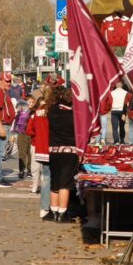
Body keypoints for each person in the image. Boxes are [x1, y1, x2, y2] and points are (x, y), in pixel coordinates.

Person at [47, 85, 78, 222]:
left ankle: (53, 210)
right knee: (65, 183)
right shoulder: (74, 116)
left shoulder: (51, 112)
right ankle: (62, 212)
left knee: (55, 181)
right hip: (69, 151)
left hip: (54, 150)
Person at [26, 89, 52, 220]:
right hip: (44, 145)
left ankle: (38, 189)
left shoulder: (36, 113)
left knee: (40, 171)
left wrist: (35, 135)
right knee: (40, 170)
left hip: (38, 144)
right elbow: (29, 129)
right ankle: (36, 186)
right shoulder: (49, 112)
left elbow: (30, 129)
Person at [13, 93, 35, 180]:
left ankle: (30, 170)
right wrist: (14, 133)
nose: (31, 104)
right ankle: (21, 170)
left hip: (31, 135)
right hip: (22, 134)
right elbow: (16, 121)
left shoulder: (34, 112)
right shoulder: (21, 112)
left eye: (33, 102)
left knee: (30, 154)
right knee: (22, 153)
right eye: (29, 102)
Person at [109, 79, 129, 144]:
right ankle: (122, 140)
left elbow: (109, 102)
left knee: (114, 127)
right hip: (122, 111)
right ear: (122, 85)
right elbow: (126, 104)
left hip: (114, 111)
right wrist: (124, 113)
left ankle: (116, 141)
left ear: (116, 85)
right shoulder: (125, 93)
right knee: (122, 126)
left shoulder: (111, 93)